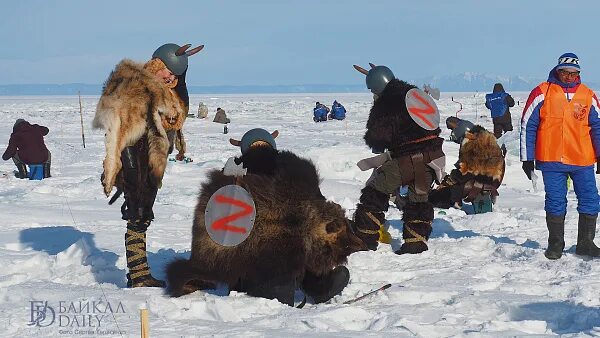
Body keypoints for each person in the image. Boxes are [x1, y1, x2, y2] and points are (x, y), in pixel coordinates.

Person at [94, 42, 203, 287]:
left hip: (152, 163)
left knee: (142, 216)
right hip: (133, 161)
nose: (170, 77)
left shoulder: (170, 91)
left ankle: (139, 273)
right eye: (167, 71)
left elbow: (180, 110)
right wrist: (131, 174)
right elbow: (124, 133)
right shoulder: (135, 87)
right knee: (137, 214)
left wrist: (181, 74)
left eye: (175, 75)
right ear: (157, 64)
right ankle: (138, 275)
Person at [351, 63, 445, 255]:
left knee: (374, 194)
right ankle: (415, 243)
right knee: (418, 200)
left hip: (404, 162)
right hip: (431, 159)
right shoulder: (413, 93)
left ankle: (364, 238)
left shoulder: (387, 103)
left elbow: (376, 140)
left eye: (372, 89)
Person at [521, 52, 600, 259]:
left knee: (590, 200)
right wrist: (527, 158)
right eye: (565, 72)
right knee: (555, 201)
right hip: (551, 159)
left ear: (579, 74)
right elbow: (528, 125)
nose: (569, 76)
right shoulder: (542, 92)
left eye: (573, 73)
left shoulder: (588, 95)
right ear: (558, 71)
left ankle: (586, 242)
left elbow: (598, 127)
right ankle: (555, 243)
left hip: (582, 159)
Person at [429, 117, 504, 213]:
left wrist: (448, 182)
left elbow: (465, 171)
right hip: (490, 178)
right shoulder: (483, 139)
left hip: (480, 181)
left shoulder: (472, 143)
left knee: (442, 194)